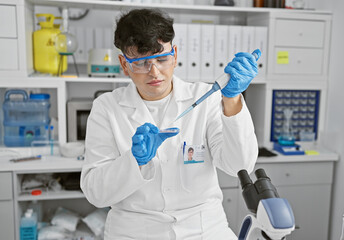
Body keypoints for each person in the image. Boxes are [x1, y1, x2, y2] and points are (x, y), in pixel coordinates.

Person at [80, 8, 258, 240]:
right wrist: (135, 161)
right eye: (141, 63)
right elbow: (96, 194)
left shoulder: (205, 98)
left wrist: (232, 99)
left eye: (162, 59)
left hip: (205, 229)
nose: (154, 72)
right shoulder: (107, 107)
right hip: (135, 232)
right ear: (124, 64)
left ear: (174, 55)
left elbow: (239, 166)